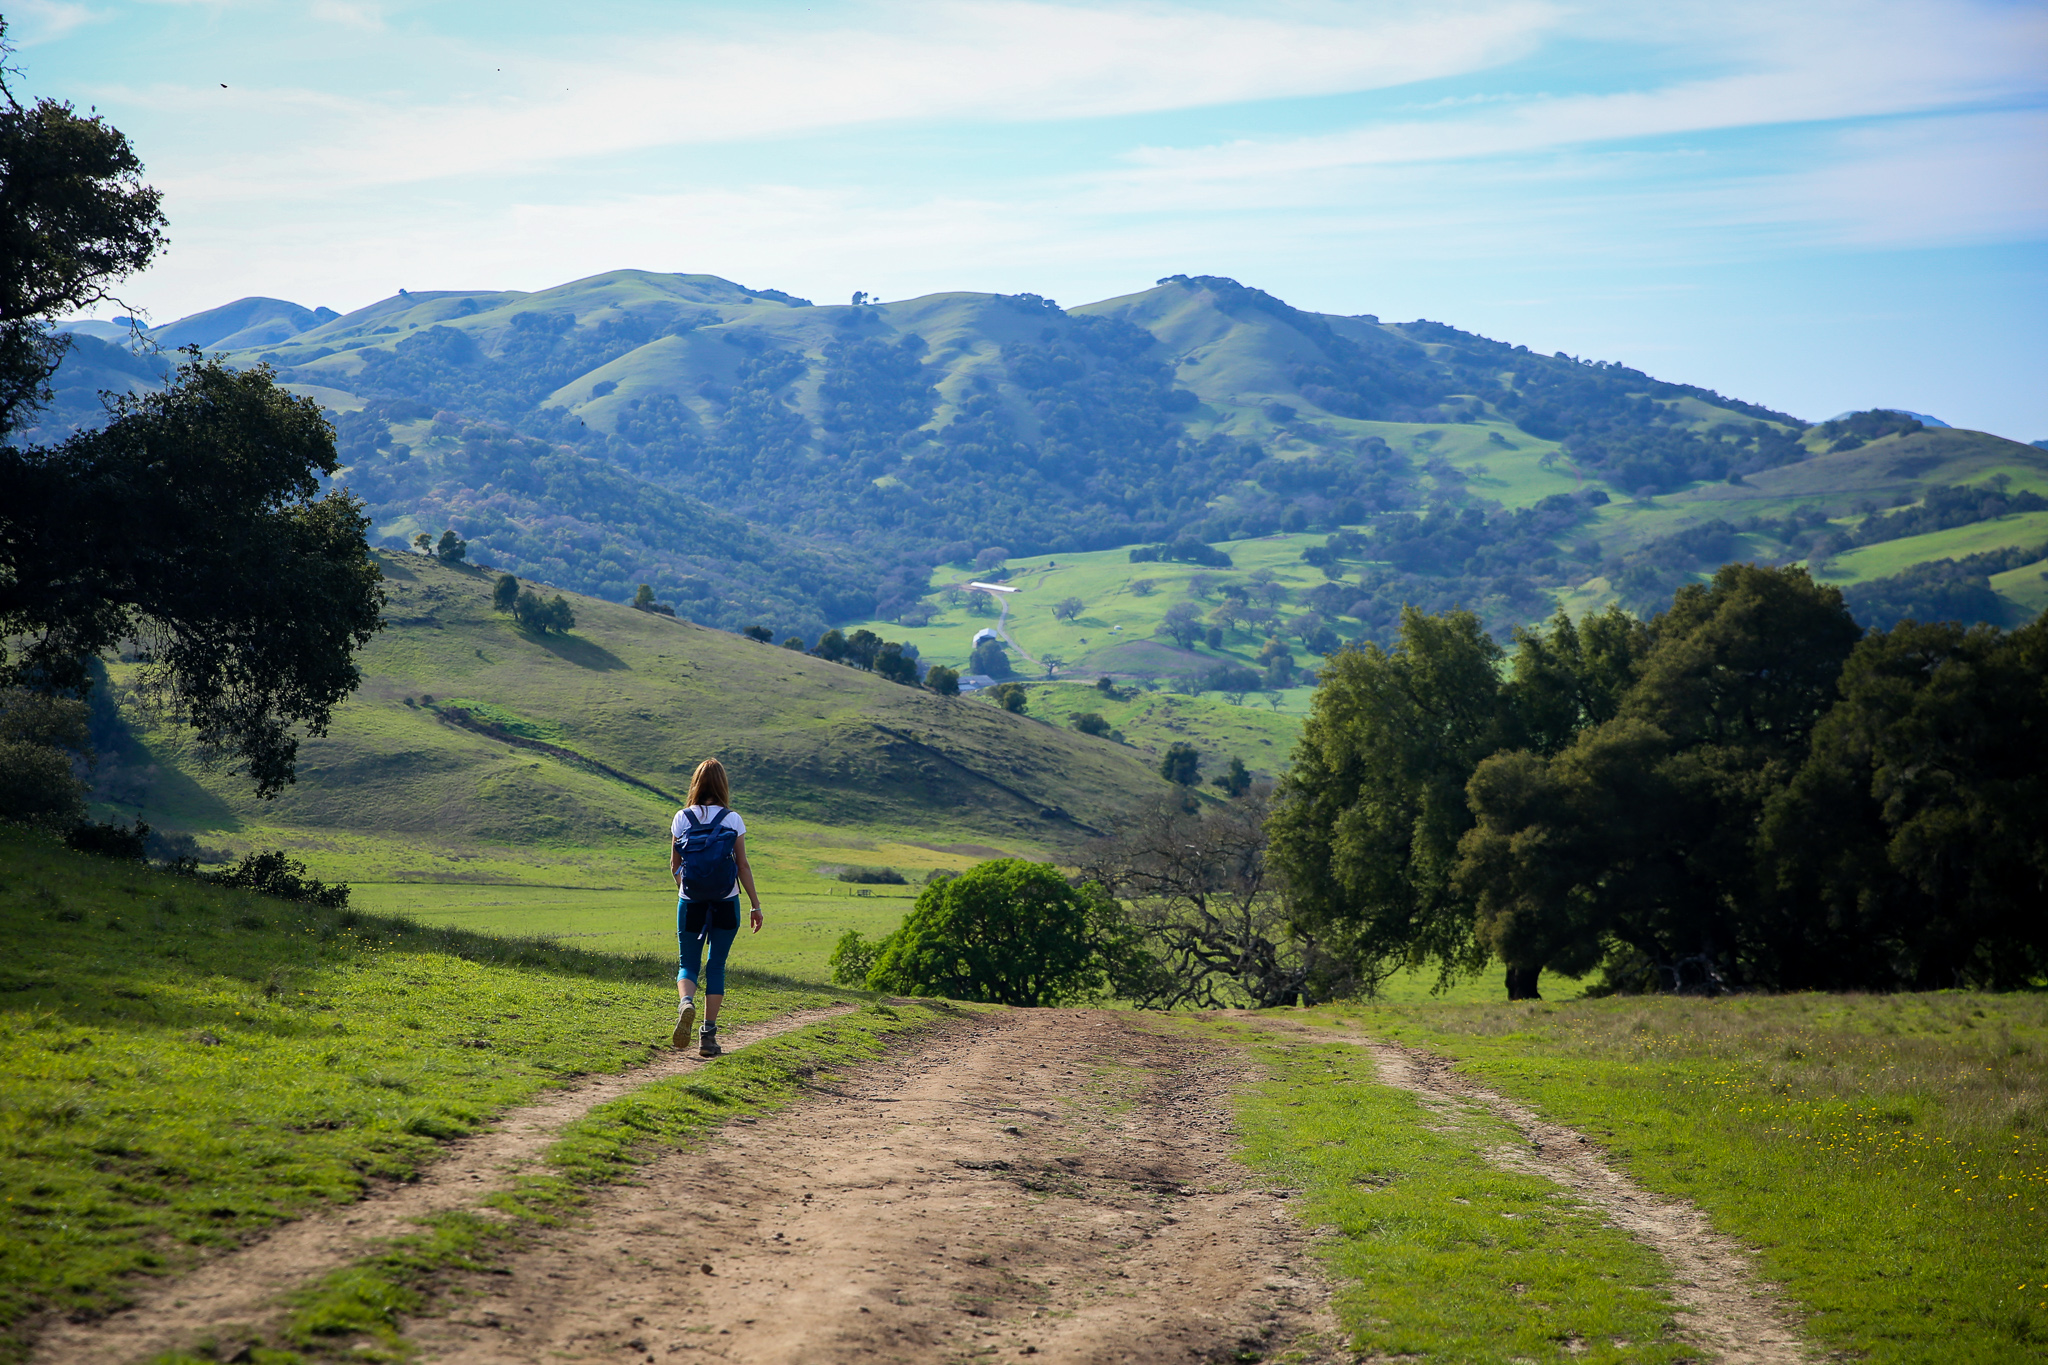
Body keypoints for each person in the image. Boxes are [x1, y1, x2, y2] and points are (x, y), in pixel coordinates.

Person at [669, 758, 762, 1056]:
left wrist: (688, 889)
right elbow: (743, 866)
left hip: (691, 901)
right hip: (726, 900)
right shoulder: (732, 819)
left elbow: (675, 865)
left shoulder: (682, 818)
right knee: (717, 965)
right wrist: (755, 906)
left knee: (688, 963)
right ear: (723, 785)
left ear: (695, 783)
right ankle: (707, 1036)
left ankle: (686, 1004)